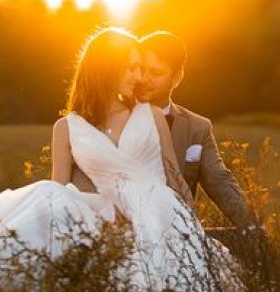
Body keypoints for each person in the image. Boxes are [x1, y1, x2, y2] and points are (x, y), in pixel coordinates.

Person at [0, 27, 237, 292]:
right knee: (49, 197)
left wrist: (193, 230)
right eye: (131, 68)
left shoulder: (150, 115)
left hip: (157, 210)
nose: (138, 77)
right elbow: (59, 189)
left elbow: (173, 176)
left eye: (142, 68)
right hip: (106, 208)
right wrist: (103, 213)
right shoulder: (67, 127)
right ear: (107, 69)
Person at [73, 31, 259, 236]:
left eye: (156, 73)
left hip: (169, 232)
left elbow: (220, 182)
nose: (143, 78)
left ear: (177, 77)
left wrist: (254, 228)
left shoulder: (197, 128)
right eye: (140, 69)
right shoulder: (98, 118)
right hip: (108, 230)